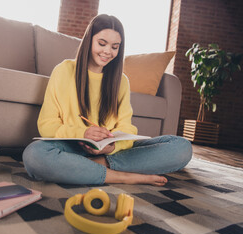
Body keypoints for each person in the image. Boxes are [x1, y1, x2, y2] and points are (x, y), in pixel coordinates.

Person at [22, 14, 192, 186]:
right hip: (71, 148)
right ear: (89, 41)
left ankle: (94, 168)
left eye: (114, 47)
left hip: (110, 153)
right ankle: (121, 176)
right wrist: (82, 134)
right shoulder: (63, 70)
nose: (107, 52)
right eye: (102, 43)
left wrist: (112, 147)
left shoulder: (121, 81)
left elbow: (126, 127)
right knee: (34, 155)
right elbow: (46, 124)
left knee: (181, 147)